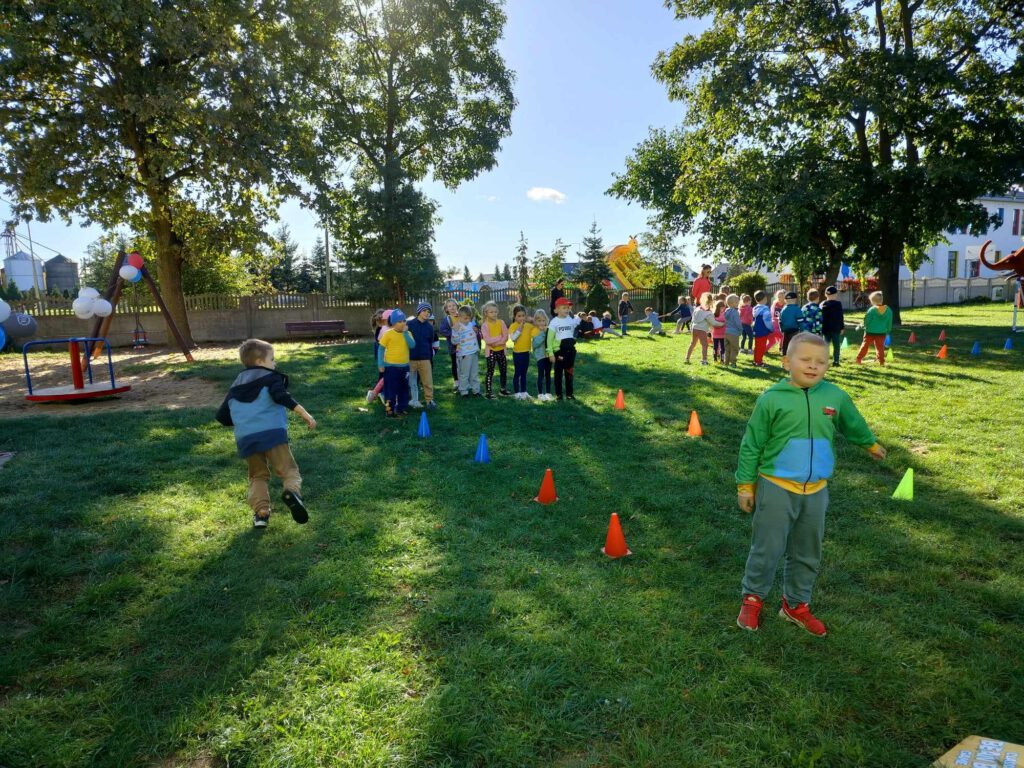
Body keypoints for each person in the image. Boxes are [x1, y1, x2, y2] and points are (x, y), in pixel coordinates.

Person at [735, 332, 887, 636]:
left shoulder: (834, 396)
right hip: (776, 487)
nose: (813, 366)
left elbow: (852, 423)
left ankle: (795, 604)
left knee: (807, 551)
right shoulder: (771, 399)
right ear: (786, 361)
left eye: (822, 361)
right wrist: (745, 485)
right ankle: (752, 598)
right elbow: (751, 444)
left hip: (816, 491)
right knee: (767, 547)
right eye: (805, 359)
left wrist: (869, 444)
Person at [216, 338, 316, 528]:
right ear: (260, 362)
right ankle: (292, 492)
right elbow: (282, 396)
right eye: (272, 359)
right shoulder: (271, 377)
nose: (274, 363)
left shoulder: (235, 385)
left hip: (246, 438)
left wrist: (245, 421)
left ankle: (261, 513)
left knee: (257, 476)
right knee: (289, 471)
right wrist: (305, 414)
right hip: (272, 434)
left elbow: (223, 416)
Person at [377, 309, 416, 417]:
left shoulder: (408, 333)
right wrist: (381, 364)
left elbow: (412, 345)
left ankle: (401, 409)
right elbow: (380, 349)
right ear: (393, 323)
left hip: (404, 367)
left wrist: (405, 334)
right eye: (400, 321)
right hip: (391, 368)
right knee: (391, 390)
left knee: (403, 389)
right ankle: (389, 410)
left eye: (404, 320)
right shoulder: (388, 334)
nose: (403, 323)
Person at [407, 302, 439, 410]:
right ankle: (412, 400)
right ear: (419, 311)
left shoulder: (430, 328)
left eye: (429, 312)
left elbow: (430, 342)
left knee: (427, 381)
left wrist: (430, 358)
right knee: (411, 381)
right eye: (424, 310)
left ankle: (429, 400)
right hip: (411, 358)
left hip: (425, 359)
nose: (426, 313)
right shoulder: (409, 324)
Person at [550, 297, 581, 400]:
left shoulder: (570, 320)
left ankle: (569, 394)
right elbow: (549, 339)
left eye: (568, 307)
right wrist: (550, 353)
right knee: (558, 374)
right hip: (559, 352)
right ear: (556, 310)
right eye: (564, 308)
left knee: (569, 372)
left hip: (570, 351)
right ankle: (559, 395)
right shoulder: (554, 322)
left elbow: (573, 330)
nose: (567, 310)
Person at [480, 301, 510, 399]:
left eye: (495, 312)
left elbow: (505, 336)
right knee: (490, 371)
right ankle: (488, 392)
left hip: (501, 351)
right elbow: (487, 340)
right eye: (491, 312)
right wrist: (498, 338)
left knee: (503, 370)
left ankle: (503, 390)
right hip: (491, 352)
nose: (494, 314)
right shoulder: (484, 325)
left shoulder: (501, 322)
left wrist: (497, 342)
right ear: (486, 313)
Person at [508, 304, 538, 400]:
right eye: (519, 316)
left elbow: (536, 333)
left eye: (523, 316)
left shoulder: (529, 326)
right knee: (517, 373)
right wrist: (520, 328)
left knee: (524, 373)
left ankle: (524, 392)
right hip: (517, 353)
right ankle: (517, 393)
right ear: (514, 316)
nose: (521, 318)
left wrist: (534, 322)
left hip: (526, 353)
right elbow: (513, 339)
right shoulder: (513, 326)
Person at [855, 291, 893, 366]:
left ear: (872, 301)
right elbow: (889, 322)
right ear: (881, 300)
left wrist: (863, 326)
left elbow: (866, 321)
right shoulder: (888, 310)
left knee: (865, 345)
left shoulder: (871, 310)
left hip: (869, 332)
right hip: (881, 333)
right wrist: (888, 330)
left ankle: (859, 359)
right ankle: (881, 361)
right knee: (880, 347)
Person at [451, 306, 481, 396]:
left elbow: (474, 335)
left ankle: (476, 390)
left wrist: (476, 332)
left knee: (474, 373)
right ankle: (464, 391)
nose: (468, 320)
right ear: (459, 317)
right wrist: (456, 332)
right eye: (465, 318)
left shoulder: (471, 324)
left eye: (469, 318)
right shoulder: (457, 327)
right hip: (464, 354)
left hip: (474, 352)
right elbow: (454, 341)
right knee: (464, 374)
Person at [686, 292, 722, 365]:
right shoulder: (708, 313)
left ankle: (687, 358)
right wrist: (723, 324)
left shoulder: (697, 308)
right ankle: (704, 360)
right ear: (712, 302)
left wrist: (691, 327)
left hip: (694, 328)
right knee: (704, 345)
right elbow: (714, 323)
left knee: (693, 343)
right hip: (702, 330)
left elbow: (692, 319)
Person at [436, 299, 461, 394]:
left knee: (464, 364)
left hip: (464, 345)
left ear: (457, 306)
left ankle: (465, 381)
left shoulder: (462, 316)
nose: (452, 307)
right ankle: (456, 382)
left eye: (454, 305)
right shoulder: (446, 320)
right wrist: (453, 333)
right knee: (455, 364)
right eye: (449, 306)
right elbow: (442, 330)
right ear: (446, 309)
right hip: (453, 346)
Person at [532, 309, 556, 401]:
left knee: (548, 374)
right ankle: (540, 394)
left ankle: (548, 393)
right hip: (540, 357)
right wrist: (543, 333)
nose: (542, 323)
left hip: (548, 356)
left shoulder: (549, 330)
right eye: (539, 321)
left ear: (546, 320)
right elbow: (535, 344)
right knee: (541, 375)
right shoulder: (535, 331)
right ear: (536, 321)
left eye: (543, 320)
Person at [365, 308, 388, 404]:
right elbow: (381, 346)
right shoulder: (381, 329)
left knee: (383, 375)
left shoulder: (381, 328)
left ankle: (377, 392)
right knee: (384, 375)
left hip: (383, 354)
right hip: (382, 355)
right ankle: (379, 392)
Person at [820, 286, 845, 366]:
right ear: (836, 294)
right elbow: (841, 316)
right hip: (835, 328)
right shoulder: (838, 304)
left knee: (825, 345)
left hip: (825, 328)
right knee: (836, 346)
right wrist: (842, 327)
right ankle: (836, 361)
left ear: (825, 294)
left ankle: (824, 361)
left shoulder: (823, 304)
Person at [751, 290, 774, 367]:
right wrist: (771, 328)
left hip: (756, 330)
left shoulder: (755, 308)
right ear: (764, 299)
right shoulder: (765, 310)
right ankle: (759, 362)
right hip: (763, 330)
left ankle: (755, 360)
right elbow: (767, 321)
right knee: (762, 346)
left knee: (757, 346)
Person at [724, 294, 742, 366]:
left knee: (726, 348)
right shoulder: (735, 312)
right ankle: (733, 363)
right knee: (734, 348)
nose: (738, 304)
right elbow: (737, 322)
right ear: (733, 303)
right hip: (734, 333)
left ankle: (726, 362)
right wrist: (740, 330)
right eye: (737, 302)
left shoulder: (725, 311)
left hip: (725, 332)